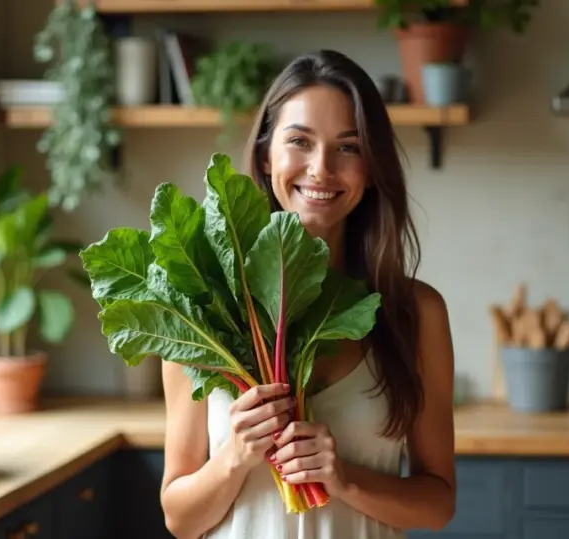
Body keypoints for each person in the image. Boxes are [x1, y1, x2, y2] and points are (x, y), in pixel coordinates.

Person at [159, 49, 457, 539]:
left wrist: (344, 480)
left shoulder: (416, 313)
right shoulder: (200, 310)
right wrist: (233, 458)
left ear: (371, 166)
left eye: (348, 147)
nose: (320, 169)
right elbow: (179, 519)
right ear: (264, 155)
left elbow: (437, 504)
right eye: (299, 141)